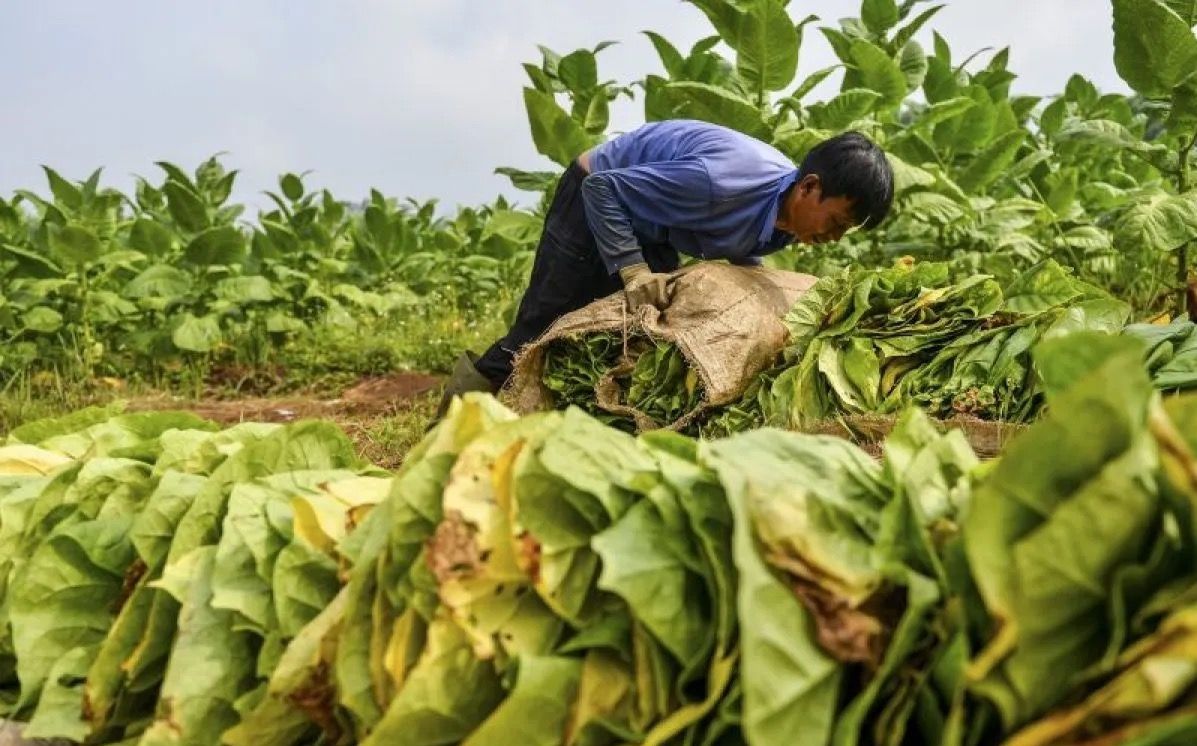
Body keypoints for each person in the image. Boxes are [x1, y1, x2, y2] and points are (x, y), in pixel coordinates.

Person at [434, 119, 895, 417]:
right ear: (810, 188)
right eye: (835, 222)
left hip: (654, 226)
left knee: (642, 331)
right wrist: (632, 271)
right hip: (593, 197)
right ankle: (444, 435)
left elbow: (740, 253)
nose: (833, 237)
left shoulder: (784, 219)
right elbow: (603, 189)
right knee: (538, 326)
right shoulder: (723, 183)